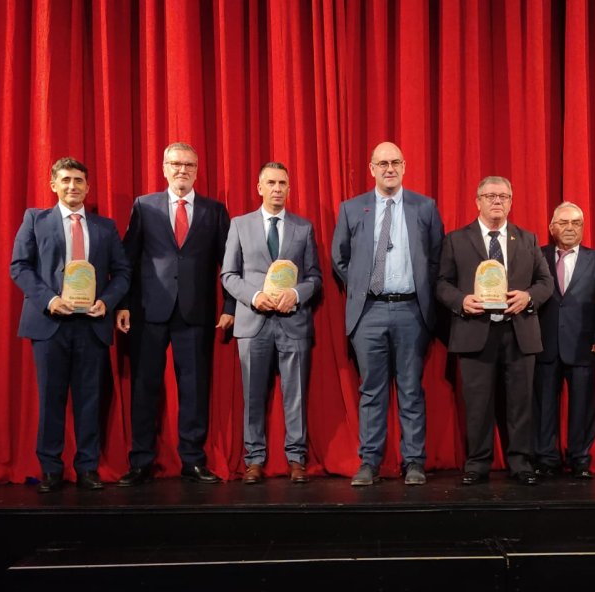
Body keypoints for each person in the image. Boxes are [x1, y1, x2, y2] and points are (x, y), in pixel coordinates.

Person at [115, 143, 234, 486]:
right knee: (144, 387)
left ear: (197, 170)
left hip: (196, 313)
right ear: (164, 168)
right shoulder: (144, 206)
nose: (182, 170)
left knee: (194, 389)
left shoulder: (214, 210)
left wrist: (229, 307)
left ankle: (193, 460)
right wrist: (122, 304)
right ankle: (141, 461)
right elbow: (128, 258)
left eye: (189, 165)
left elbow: (228, 263)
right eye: (176, 164)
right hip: (148, 311)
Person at [10, 157, 131, 493]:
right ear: (53, 184)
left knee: (89, 398)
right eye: (65, 180)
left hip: (92, 323)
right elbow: (20, 266)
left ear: (88, 187)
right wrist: (50, 300)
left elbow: (122, 272)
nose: (72, 186)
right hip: (50, 322)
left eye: (79, 181)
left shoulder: (105, 227)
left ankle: (88, 467)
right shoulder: (35, 220)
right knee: (51, 398)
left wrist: (107, 302)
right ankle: (50, 468)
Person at [331, 142, 444, 487]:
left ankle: (414, 462)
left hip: (412, 310)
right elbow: (340, 258)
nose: (389, 168)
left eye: (395, 162)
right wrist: (363, 285)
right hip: (370, 312)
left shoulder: (425, 207)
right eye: (382, 163)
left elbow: (437, 256)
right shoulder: (353, 209)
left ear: (405, 166)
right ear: (371, 168)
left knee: (411, 389)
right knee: (372, 390)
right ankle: (369, 462)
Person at [436, 176, 554, 486]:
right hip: (474, 331)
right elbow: (441, 284)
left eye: (503, 196)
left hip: (519, 333)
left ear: (511, 202)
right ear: (477, 201)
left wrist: (528, 297)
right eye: (490, 196)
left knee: (520, 402)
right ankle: (477, 463)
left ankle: (521, 462)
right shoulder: (456, 240)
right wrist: (462, 300)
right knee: (477, 404)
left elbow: (546, 282)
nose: (497, 201)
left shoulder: (527, 239)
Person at [222, 162, 322, 484]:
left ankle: (296, 458)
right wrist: (253, 297)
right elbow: (228, 275)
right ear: (259, 187)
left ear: (289, 189)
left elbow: (315, 277)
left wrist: (296, 292)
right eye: (271, 183)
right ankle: (254, 459)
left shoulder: (303, 228)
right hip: (253, 322)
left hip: (293, 321)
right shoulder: (239, 225)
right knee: (253, 395)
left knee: (295, 393)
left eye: (282, 183)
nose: (277, 188)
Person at [533, 202, 595, 479]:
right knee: (543, 406)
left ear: (583, 227)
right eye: (564, 223)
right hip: (543, 344)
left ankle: (580, 459)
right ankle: (546, 458)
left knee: (582, 405)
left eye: (576, 223)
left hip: (583, 343)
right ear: (552, 227)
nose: (570, 228)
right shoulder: (537, 255)